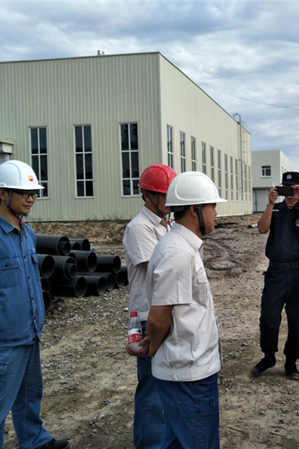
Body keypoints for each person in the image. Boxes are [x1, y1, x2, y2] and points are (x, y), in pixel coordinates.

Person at [0, 160, 69, 449]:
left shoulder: (27, 233)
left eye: (33, 193)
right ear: (2, 193)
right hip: (1, 341)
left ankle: (34, 441)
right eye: (24, 193)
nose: (30, 199)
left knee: (29, 396)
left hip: (29, 333)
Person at [132, 171, 225, 449]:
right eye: (212, 206)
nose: (216, 213)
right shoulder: (178, 252)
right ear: (195, 210)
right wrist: (152, 345)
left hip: (189, 370)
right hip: (188, 375)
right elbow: (159, 316)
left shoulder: (182, 245)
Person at [123, 163, 176, 449]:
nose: (168, 201)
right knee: (151, 385)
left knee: (167, 381)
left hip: (163, 311)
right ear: (147, 196)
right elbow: (160, 269)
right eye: (163, 195)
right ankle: (150, 444)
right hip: (146, 316)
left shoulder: (167, 225)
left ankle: (164, 439)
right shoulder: (139, 228)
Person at [251, 171, 299, 380]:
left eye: (294, 189)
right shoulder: (276, 209)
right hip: (276, 271)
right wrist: (270, 204)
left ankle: (291, 362)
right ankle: (268, 356)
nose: (290, 194)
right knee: (269, 317)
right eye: (287, 189)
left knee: (296, 320)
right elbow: (262, 229)